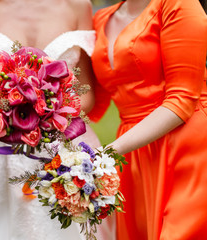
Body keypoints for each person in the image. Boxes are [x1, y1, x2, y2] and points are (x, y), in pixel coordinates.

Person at [0, 0, 115, 240]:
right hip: (0, 152)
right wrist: (8, 108)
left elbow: (87, 94)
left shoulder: (78, 5)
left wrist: (47, 108)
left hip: (64, 149)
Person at [89, 0, 207, 239]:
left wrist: (109, 153)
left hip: (186, 146)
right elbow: (93, 104)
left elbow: (182, 100)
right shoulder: (101, 18)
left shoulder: (177, 5)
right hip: (134, 156)